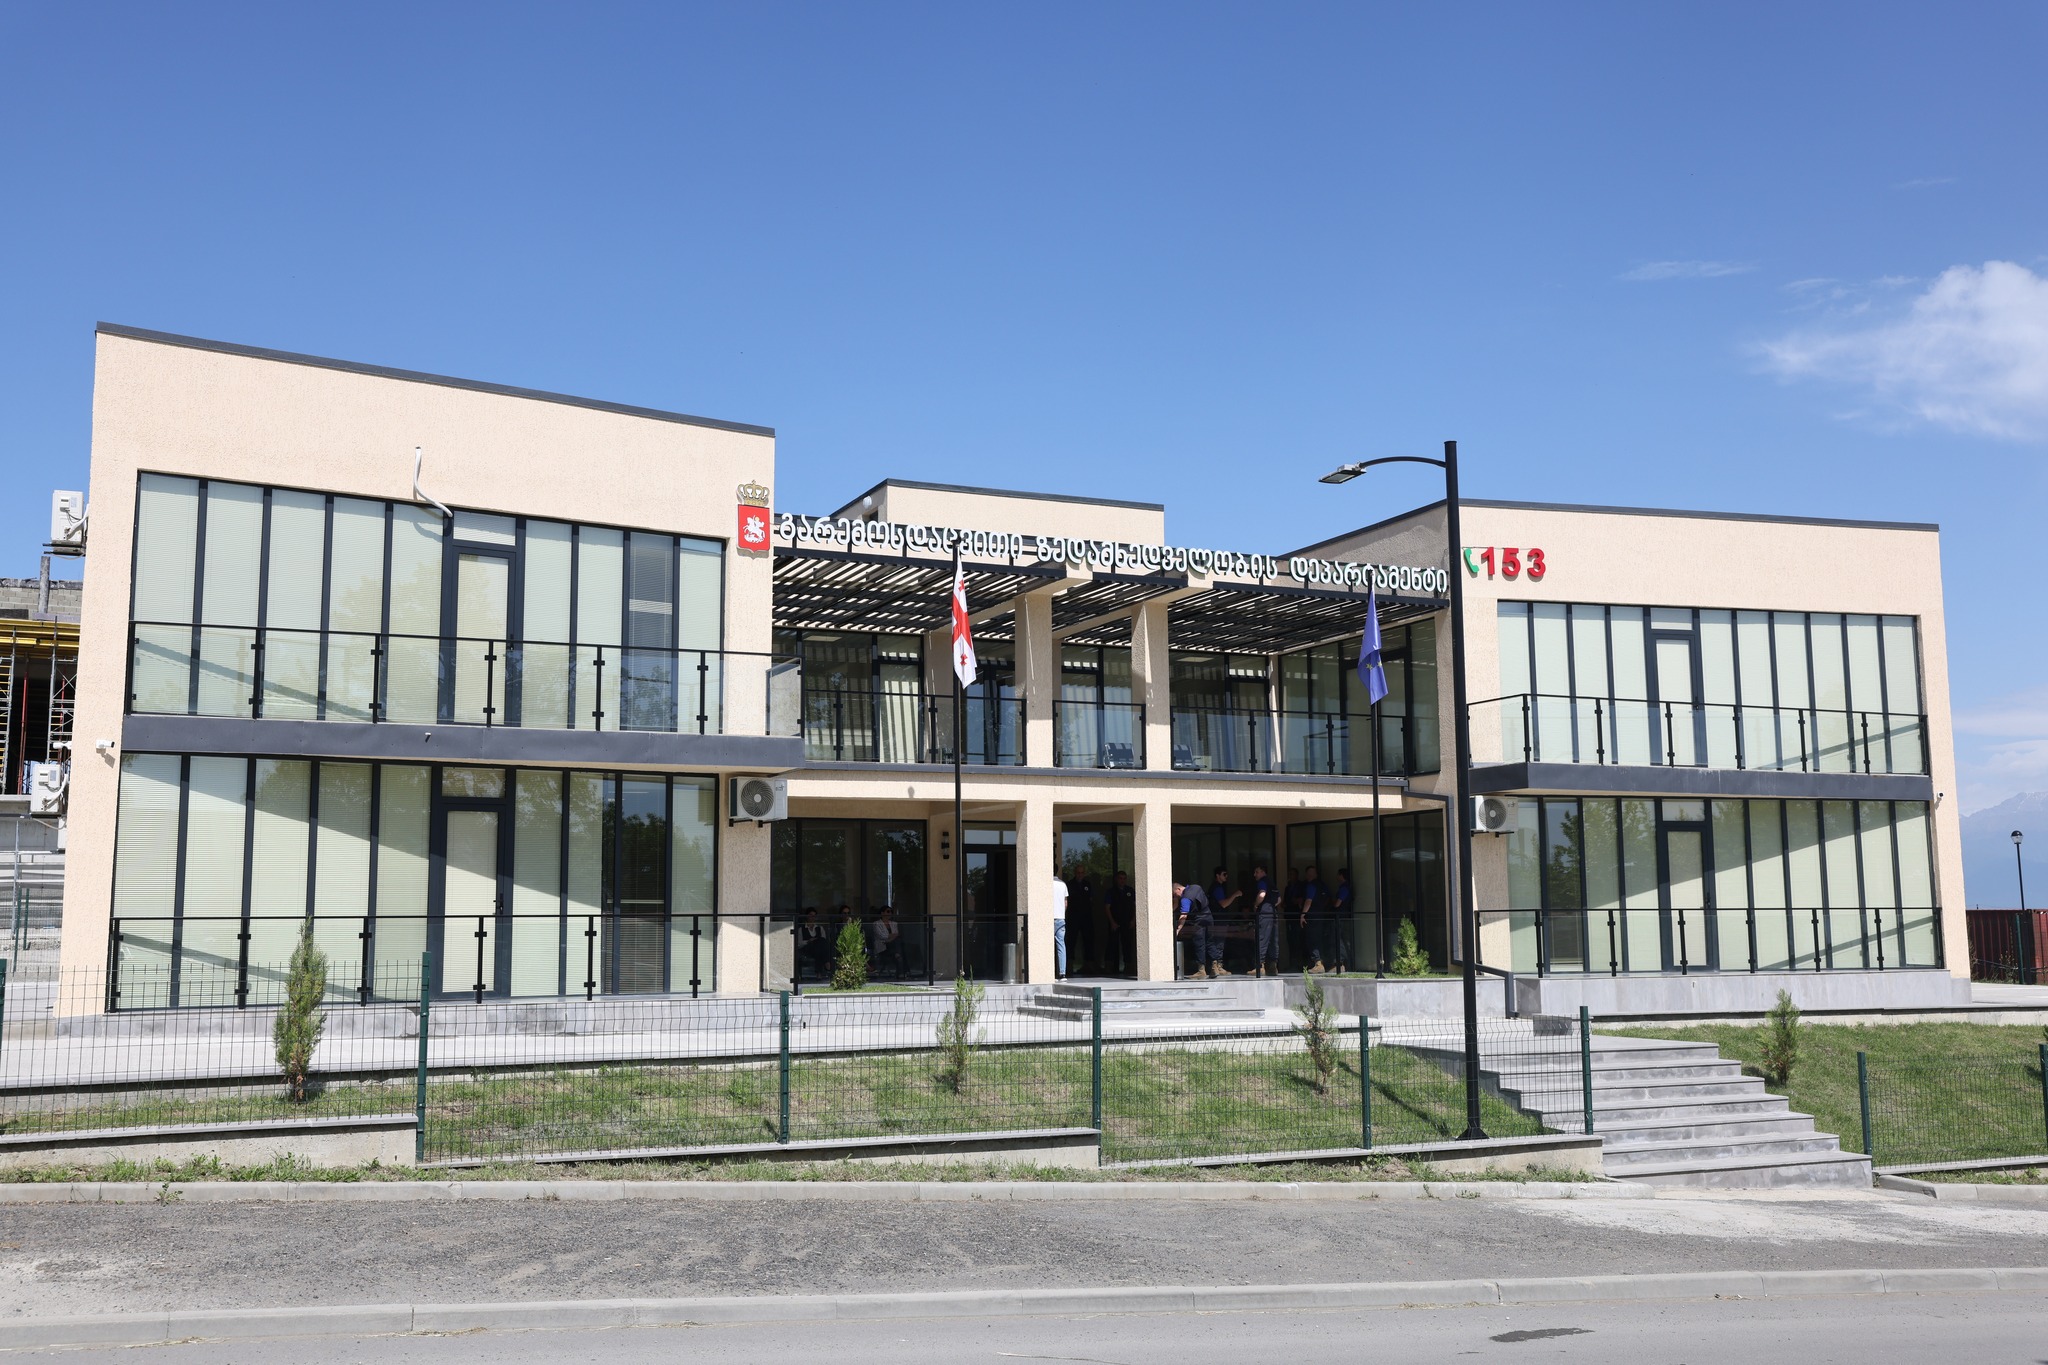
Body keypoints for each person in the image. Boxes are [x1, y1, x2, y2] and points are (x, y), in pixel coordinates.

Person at [1172, 878, 1216, 979]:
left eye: (1175, 894)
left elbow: (1184, 915)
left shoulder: (1185, 899)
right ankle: (1215, 967)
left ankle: (1201, 971)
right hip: (1209, 916)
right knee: (1210, 941)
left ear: (1178, 889)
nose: (1176, 897)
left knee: (1199, 944)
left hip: (1198, 920)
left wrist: (1178, 929)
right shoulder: (1196, 887)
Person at [1207, 866, 1242, 973]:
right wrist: (1235, 895)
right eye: (1224, 874)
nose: (1226, 876)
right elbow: (1223, 904)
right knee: (1219, 942)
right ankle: (1218, 966)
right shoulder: (1217, 888)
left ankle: (1216, 965)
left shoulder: (1216, 887)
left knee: (1217, 942)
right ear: (1218, 876)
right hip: (1218, 919)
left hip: (1216, 919)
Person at [1250, 863, 1280, 977]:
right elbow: (1279, 899)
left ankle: (1260, 966)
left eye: (1257, 872)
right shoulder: (1272, 883)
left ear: (1263, 872)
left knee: (1262, 937)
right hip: (1273, 911)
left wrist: (1256, 904)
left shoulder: (1262, 882)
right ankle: (1273, 966)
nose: (1255, 874)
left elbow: (1262, 894)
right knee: (1273, 939)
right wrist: (1271, 905)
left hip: (1265, 911)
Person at [1300, 864, 1329, 974]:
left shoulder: (1311, 885)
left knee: (1312, 939)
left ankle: (1318, 964)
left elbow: (1308, 901)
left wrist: (1303, 914)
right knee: (1319, 939)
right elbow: (1327, 899)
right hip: (1321, 915)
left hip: (1312, 917)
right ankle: (1320, 962)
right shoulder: (1322, 885)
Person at [1105, 869, 1135, 975]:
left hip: (1127, 921)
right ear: (1116, 879)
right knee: (1112, 944)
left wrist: (1133, 920)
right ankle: (1109, 967)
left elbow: (1135, 906)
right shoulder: (1111, 891)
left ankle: (1128, 967)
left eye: (1124, 878)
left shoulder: (1130, 891)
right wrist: (1112, 922)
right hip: (1115, 921)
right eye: (1120, 878)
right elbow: (1107, 907)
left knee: (1127, 944)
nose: (1122, 880)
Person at [1329, 868, 1355, 975]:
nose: (1336, 877)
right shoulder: (1347, 887)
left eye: (1338, 874)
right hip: (1345, 917)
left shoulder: (1344, 888)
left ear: (1341, 875)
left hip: (1341, 918)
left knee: (1339, 940)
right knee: (1344, 940)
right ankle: (1346, 964)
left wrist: (1331, 902)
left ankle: (1340, 964)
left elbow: (1337, 904)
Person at [796, 906, 831, 982]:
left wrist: (816, 940)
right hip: (807, 949)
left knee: (820, 946)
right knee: (820, 946)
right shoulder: (801, 929)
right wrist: (808, 941)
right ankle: (827, 963)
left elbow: (824, 941)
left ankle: (819, 973)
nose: (812, 918)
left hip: (818, 949)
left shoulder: (820, 928)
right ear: (807, 916)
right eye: (811, 915)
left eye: (814, 916)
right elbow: (799, 943)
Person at [869, 905, 902, 978]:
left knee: (897, 943)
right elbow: (881, 936)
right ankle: (902, 970)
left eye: (891, 912)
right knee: (899, 948)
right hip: (882, 946)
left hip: (891, 945)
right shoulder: (876, 924)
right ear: (882, 913)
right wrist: (891, 937)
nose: (890, 913)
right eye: (888, 911)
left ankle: (897, 954)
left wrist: (889, 939)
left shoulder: (894, 923)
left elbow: (896, 934)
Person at [1050, 872, 1069, 979]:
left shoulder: (1047, 883)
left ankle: (1048, 973)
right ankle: (1062, 973)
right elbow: (1065, 903)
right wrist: (1062, 913)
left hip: (1049, 918)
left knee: (1047, 945)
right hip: (1061, 918)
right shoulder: (1063, 884)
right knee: (1061, 945)